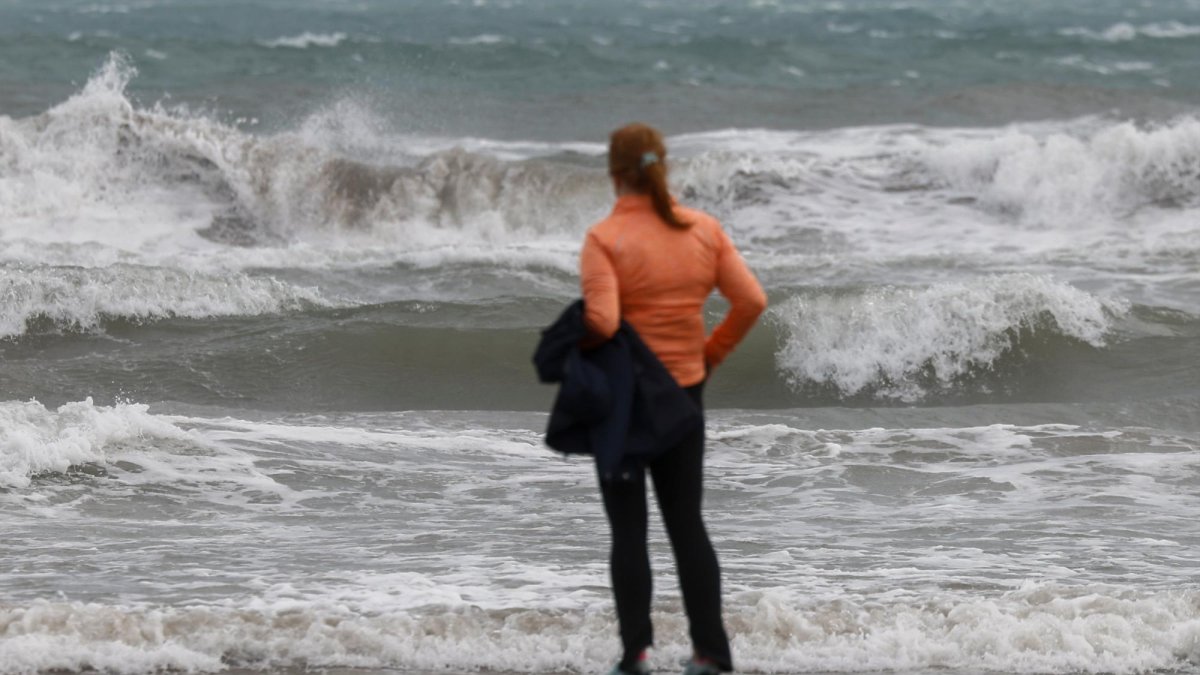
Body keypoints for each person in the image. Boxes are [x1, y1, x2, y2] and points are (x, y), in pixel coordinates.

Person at [580, 123, 767, 675]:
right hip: (685, 393)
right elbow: (751, 300)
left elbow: (603, 322)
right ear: (662, 167)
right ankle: (711, 653)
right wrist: (708, 357)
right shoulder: (703, 231)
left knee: (628, 532)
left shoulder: (604, 239)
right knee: (687, 525)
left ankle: (635, 654)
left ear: (614, 173)